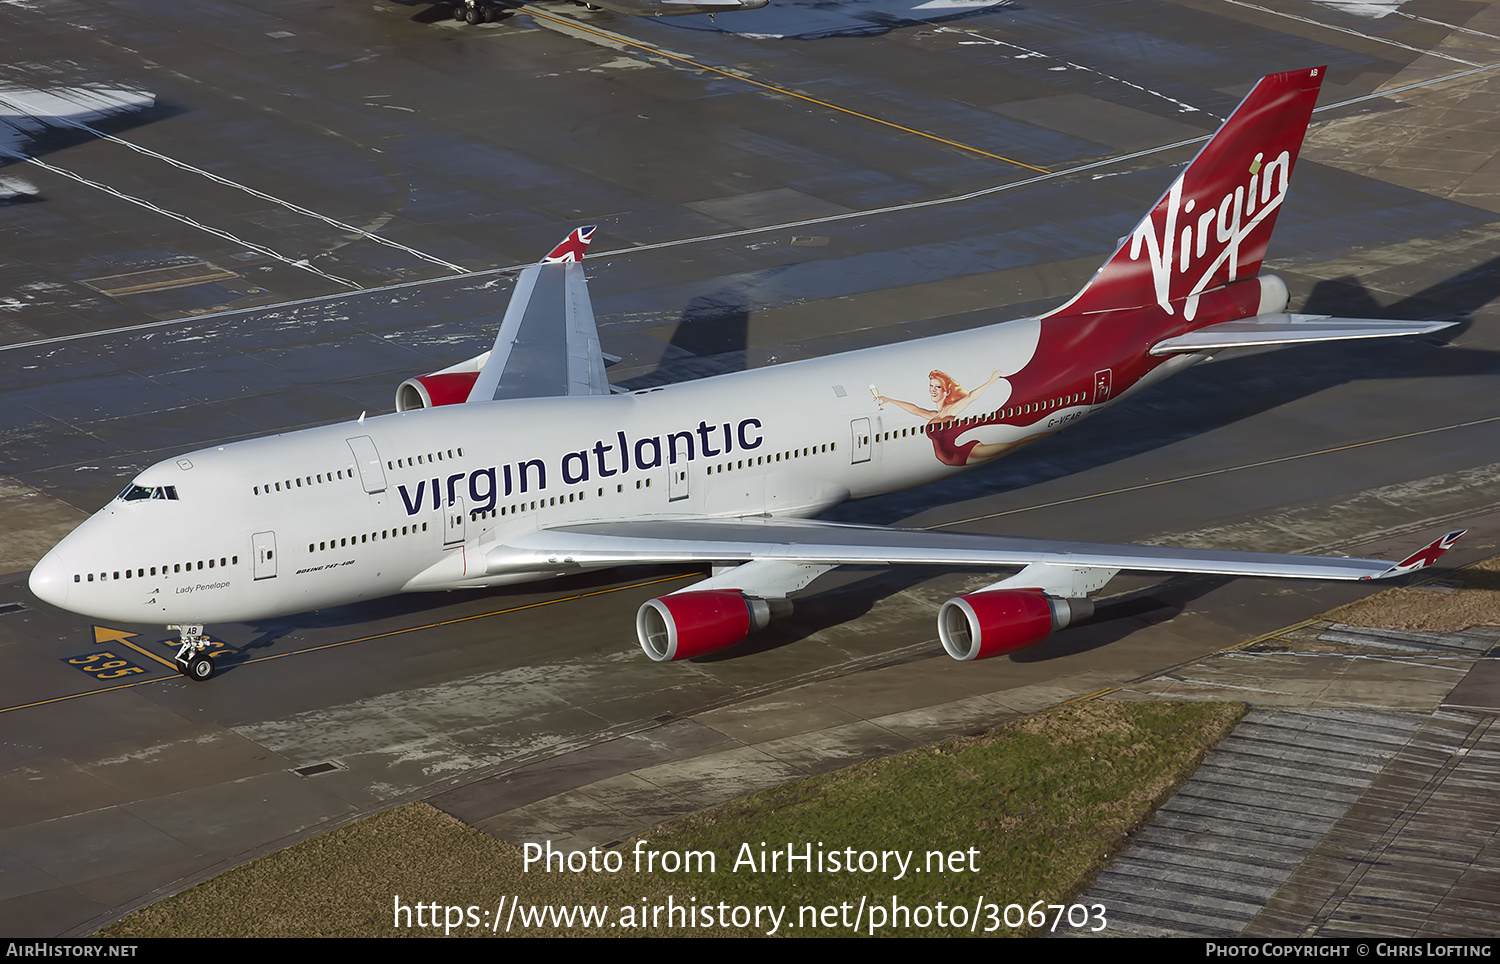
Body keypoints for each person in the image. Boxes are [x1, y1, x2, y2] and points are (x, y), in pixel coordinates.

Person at [875, 369, 1017, 467]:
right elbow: (915, 410)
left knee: (1012, 445)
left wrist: (990, 382)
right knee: (1010, 446)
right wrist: (889, 400)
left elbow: (971, 397)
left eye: (938, 387)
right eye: (931, 386)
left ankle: (1036, 437)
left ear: (946, 391)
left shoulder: (950, 410)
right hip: (949, 458)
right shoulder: (934, 415)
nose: (932, 390)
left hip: (959, 454)